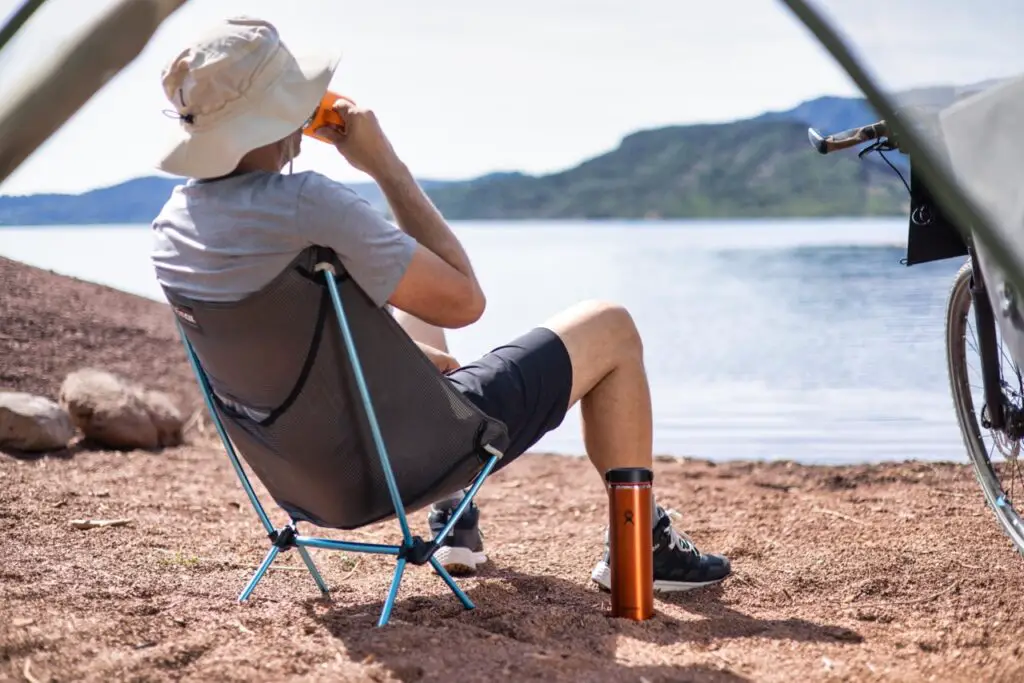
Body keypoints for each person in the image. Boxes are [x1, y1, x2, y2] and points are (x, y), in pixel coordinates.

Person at [150, 16, 731, 593]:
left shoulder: (172, 227)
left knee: (412, 304)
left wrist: (404, 360)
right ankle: (641, 547)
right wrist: (383, 165)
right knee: (612, 326)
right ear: (278, 113)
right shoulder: (306, 202)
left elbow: (299, 341)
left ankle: (458, 524)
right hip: (399, 463)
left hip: (306, 479)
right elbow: (464, 300)